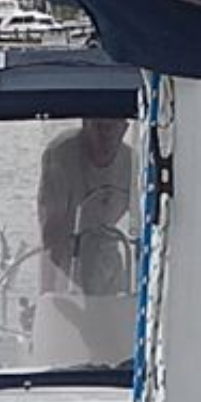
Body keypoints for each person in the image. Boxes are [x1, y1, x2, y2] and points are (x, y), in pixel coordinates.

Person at [37, 117, 134, 294]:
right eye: (99, 126)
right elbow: (52, 230)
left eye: (111, 128)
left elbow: (140, 224)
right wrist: (50, 292)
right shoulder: (60, 155)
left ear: (124, 129)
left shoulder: (132, 163)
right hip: (65, 261)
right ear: (85, 124)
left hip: (109, 261)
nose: (105, 135)